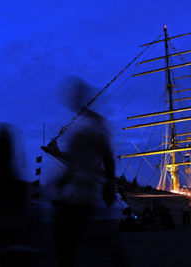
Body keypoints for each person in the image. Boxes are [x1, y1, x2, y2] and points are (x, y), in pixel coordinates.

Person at [53, 77, 125, 266]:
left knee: (72, 237)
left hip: (84, 190)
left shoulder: (95, 125)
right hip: (75, 190)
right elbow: (79, 162)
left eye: (76, 96)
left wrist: (109, 184)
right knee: (76, 238)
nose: (72, 99)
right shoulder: (82, 123)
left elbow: (107, 156)